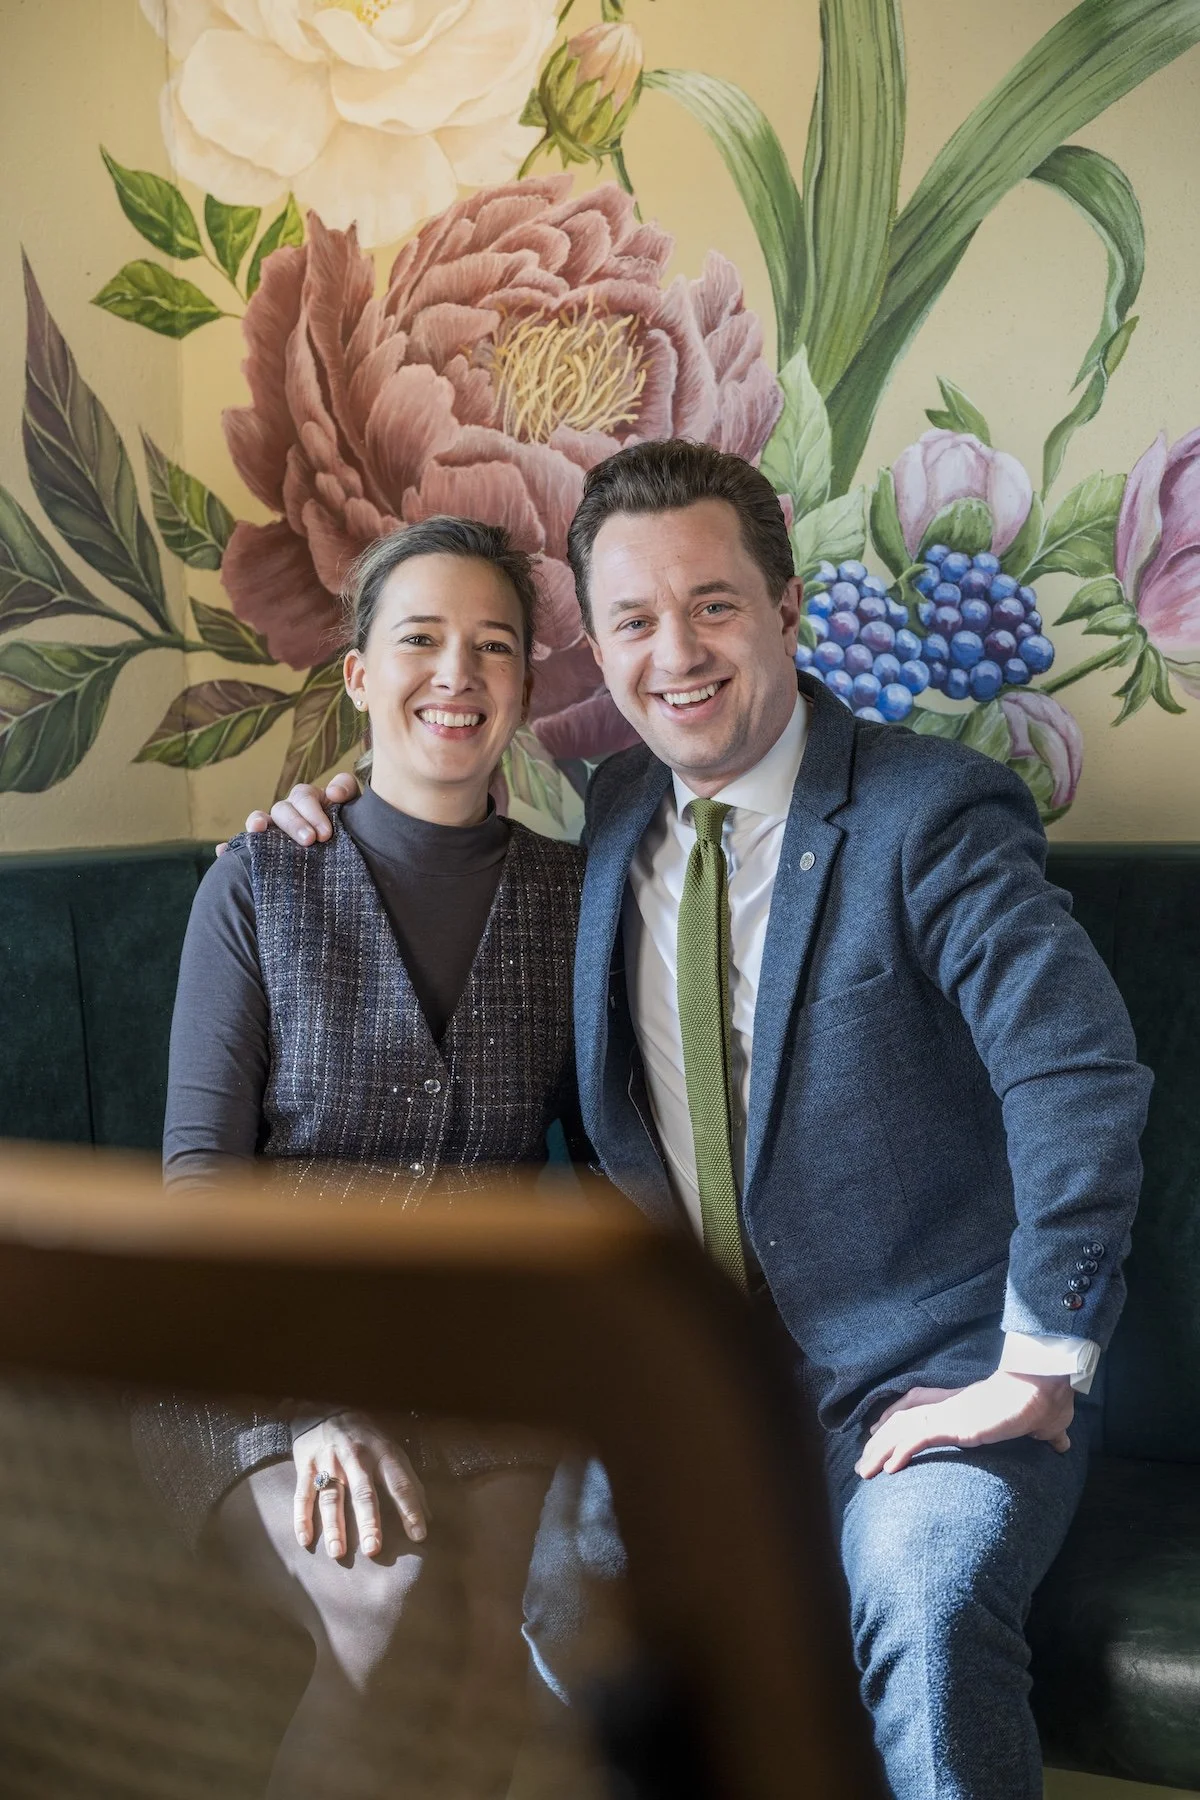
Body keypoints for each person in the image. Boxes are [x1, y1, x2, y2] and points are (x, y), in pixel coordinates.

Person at [254, 442, 1151, 1800]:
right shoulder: (611, 817)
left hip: (936, 1383)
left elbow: (1075, 1074)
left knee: (924, 1606)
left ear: (786, 610)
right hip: (711, 1389)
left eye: (714, 604)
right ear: (599, 651)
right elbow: (437, 831)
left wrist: (1036, 1361)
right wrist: (320, 813)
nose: (675, 651)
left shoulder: (933, 814)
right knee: (563, 1611)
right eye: (632, 620)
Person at [139, 516, 585, 1800]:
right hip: (252, 1354)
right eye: (423, 640)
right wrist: (318, 1394)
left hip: (475, 1358)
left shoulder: (579, 895)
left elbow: (619, 1148)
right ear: (356, 674)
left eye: (494, 647)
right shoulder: (256, 884)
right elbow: (198, 1189)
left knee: (506, 1626)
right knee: (385, 1595)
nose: (458, 673)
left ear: (525, 686)